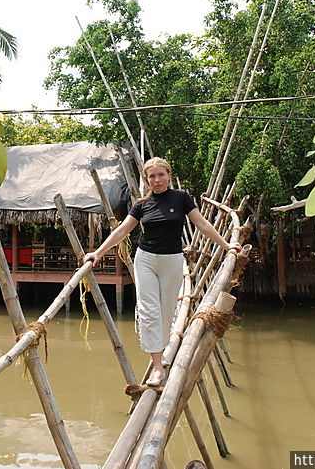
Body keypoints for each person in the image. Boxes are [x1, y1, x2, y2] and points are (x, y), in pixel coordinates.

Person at [83, 157, 241, 387]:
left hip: (172, 260)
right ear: (147, 180)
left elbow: (202, 224)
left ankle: (162, 350)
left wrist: (226, 245)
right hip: (145, 259)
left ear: (168, 175)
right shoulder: (142, 204)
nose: (157, 180)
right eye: (152, 176)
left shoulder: (181, 197)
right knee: (149, 310)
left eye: (161, 175)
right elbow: (122, 231)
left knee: (167, 311)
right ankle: (157, 365)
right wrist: (97, 252)